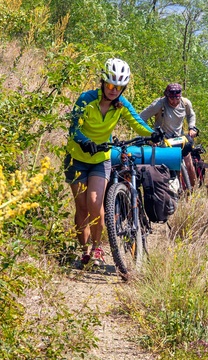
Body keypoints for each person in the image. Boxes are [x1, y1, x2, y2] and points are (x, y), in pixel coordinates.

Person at [64, 58, 160, 268]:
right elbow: (73, 128)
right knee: (81, 208)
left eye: (118, 87)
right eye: (109, 85)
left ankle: (97, 249)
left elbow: (137, 121)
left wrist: (153, 134)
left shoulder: (121, 104)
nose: (113, 90)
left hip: (101, 159)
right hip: (77, 158)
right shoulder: (86, 99)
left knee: (95, 205)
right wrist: (84, 141)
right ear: (102, 82)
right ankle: (84, 251)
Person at [140, 83, 198, 187]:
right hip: (162, 141)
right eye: (171, 98)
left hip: (179, 138)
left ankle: (194, 191)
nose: (174, 101)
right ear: (167, 96)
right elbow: (140, 118)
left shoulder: (185, 103)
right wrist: (151, 134)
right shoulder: (159, 104)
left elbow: (191, 115)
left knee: (189, 164)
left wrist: (192, 127)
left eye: (177, 98)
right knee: (162, 168)